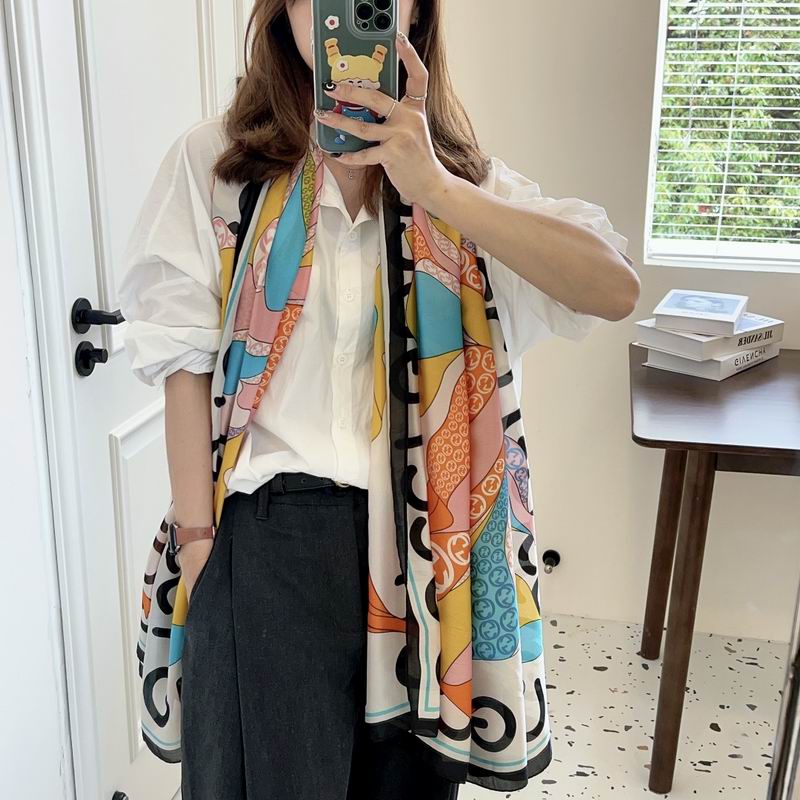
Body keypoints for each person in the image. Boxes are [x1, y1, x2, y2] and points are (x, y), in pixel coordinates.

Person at [117, 1, 640, 798]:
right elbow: (180, 359)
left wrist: (435, 187)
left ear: (415, 11)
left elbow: (612, 288)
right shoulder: (218, 164)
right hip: (270, 545)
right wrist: (198, 546)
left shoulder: (463, 182)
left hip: (427, 556)